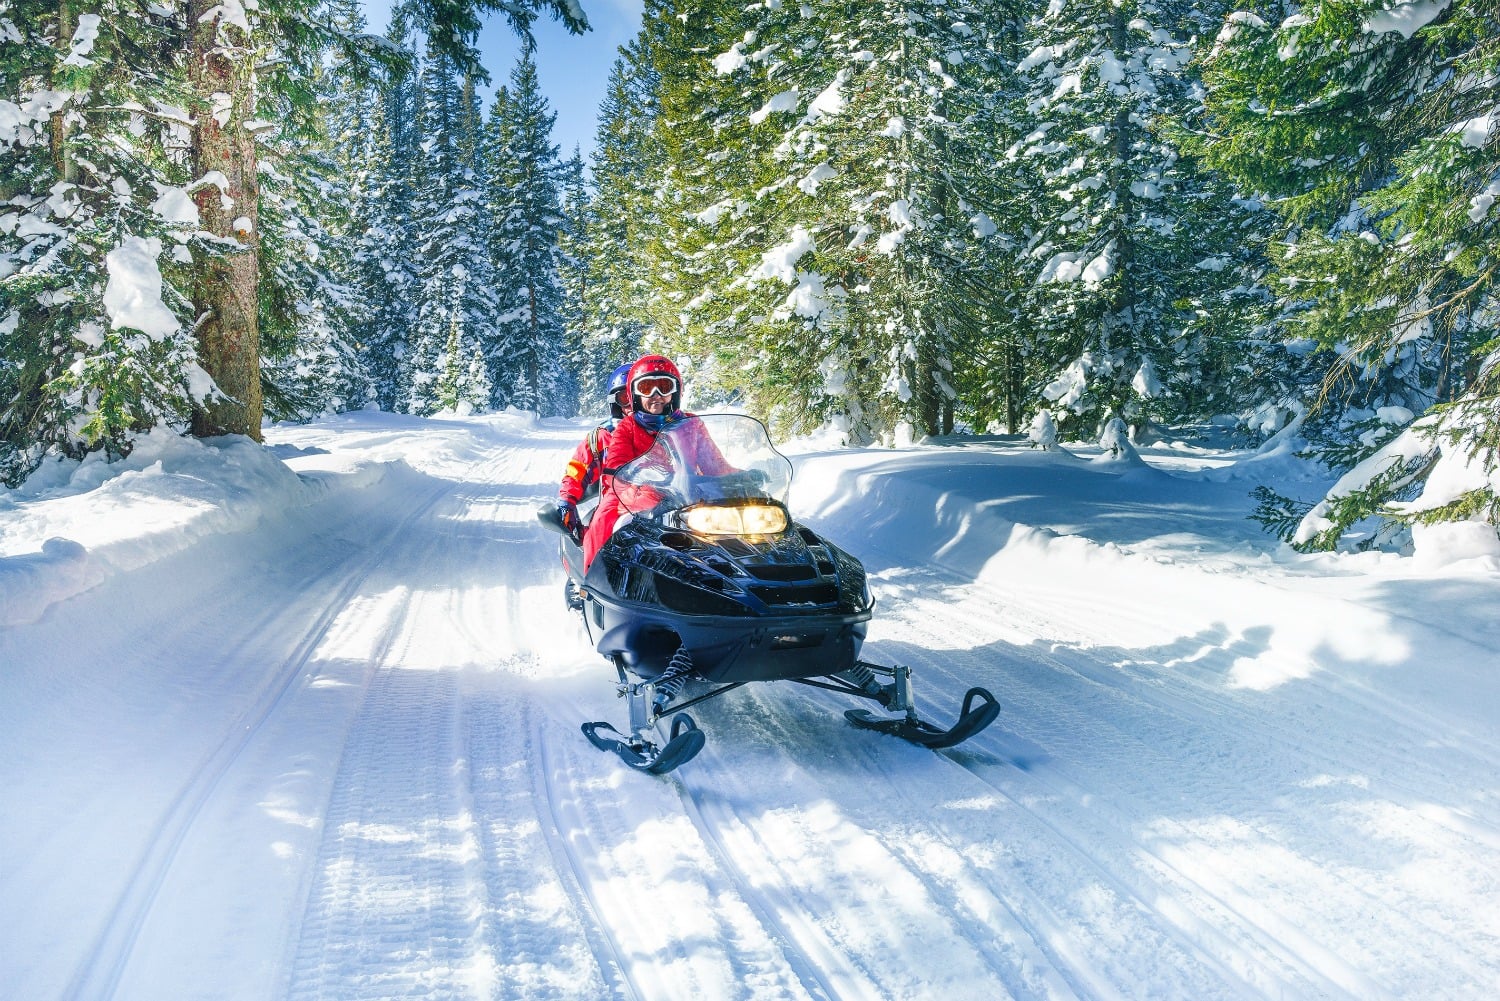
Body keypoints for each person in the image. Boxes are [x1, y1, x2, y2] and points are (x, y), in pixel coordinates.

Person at [582, 353, 732, 569]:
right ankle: (593, 581)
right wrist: (636, 485)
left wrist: (741, 478)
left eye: (664, 386)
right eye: (646, 388)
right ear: (634, 394)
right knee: (602, 520)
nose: (656, 395)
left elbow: (716, 465)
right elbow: (616, 469)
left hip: (687, 493)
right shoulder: (627, 427)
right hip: (635, 494)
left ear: (676, 391)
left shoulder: (691, 424)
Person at [555, 363, 631, 544]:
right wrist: (567, 501)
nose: (634, 405)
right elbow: (577, 470)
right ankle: (593, 570)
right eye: (625, 398)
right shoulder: (602, 436)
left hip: (667, 507)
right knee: (598, 538)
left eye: (638, 396)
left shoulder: (670, 430)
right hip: (618, 509)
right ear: (615, 402)